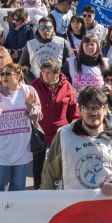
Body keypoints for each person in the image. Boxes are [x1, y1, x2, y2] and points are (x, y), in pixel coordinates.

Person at [42, 87, 112, 193]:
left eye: (97, 108)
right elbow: (49, 175)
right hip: (73, 202)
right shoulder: (64, 136)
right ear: (80, 110)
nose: (93, 113)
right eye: (87, 108)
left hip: (109, 202)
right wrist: (46, 201)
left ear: (105, 109)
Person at [0, 63, 42, 192]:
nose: (4, 77)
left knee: (18, 189)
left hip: (21, 150)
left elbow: (38, 116)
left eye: (8, 73)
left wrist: (29, 106)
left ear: (18, 76)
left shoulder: (29, 91)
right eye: (2, 74)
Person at [29, 58, 78, 190]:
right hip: (40, 130)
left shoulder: (66, 86)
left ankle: (58, 186)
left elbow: (72, 108)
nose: (45, 75)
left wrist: (75, 124)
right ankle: (38, 186)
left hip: (60, 131)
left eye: (48, 72)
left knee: (59, 161)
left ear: (57, 74)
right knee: (38, 161)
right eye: (43, 72)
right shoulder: (33, 86)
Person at [20, 16, 70, 83]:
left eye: (48, 28)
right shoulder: (30, 44)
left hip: (57, 82)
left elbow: (69, 64)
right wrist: (32, 81)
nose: (45, 30)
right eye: (42, 28)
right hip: (37, 83)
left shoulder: (62, 42)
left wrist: (60, 79)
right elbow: (22, 65)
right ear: (38, 29)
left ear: (53, 29)